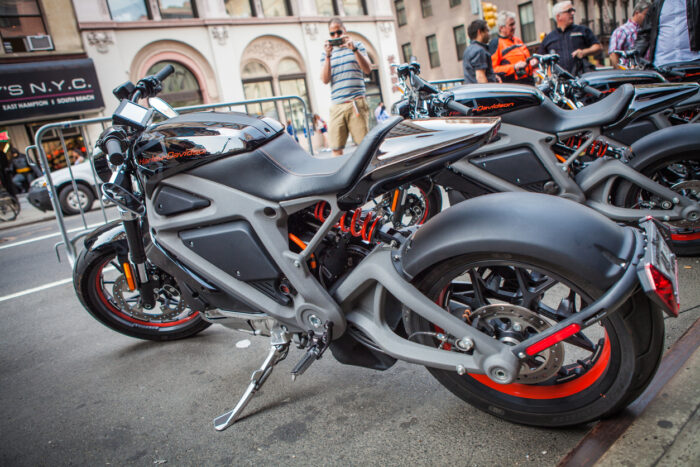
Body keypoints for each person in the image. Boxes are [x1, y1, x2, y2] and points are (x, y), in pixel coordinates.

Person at [321, 17, 372, 156]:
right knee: (336, 148)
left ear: (345, 30)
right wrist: (327, 56)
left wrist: (354, 49)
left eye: (339, 32)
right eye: (332, 34)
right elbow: (325, 79)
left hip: (356, 102)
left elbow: (368, 69)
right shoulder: (326, 53)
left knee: (364, 147)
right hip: (337, 105)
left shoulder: (357, 46)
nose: (336, 36)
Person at [538, 1, 602, 76]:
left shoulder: (582, 30)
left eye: (573, 11)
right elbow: (539, 58)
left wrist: (583, 52)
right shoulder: (549, 38)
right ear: (559, 16)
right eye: (569, 11)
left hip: (581, 78)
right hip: (560, 81)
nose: (572, 13)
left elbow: (598, 47)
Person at [634, 0, 700, 67]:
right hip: (662, 64)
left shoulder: (696, 2)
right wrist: (635, 55)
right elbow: (645, 34)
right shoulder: (657, 4)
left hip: (692, 62)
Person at [489, 11, 539, 84]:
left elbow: (526, 59)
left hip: (529, 82)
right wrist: (514, 67)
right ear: (501, 28)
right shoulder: (496, 43)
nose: (514, 27)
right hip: (513, 86)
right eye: (511, 25)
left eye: (514, 24)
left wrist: (533, 61)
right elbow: (493, 69)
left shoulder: (518, 40)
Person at [608, 1, 651, 68]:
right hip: (629, 73)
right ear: (637, 13)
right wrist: (620, 73)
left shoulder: (649, 31)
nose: (649, 18)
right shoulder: (622, 30)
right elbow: (613, 54)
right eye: (646, 15)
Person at [463, 19, 502, 84]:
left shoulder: (467, 50)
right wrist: (489, 92)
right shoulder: (479, 51)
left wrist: (493, 77)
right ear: (479, 32)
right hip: (481, 92)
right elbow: (480, 77)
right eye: (487, 31)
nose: (489, 34)